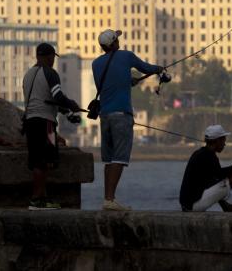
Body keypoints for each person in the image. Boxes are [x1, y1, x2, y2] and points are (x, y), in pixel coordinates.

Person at [92, 29, 163, 211]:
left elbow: (107, 84)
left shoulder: (96, 64)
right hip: (121, 115)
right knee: (119, 158)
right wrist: (159, 69)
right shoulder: (126, 56)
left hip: (105, 115)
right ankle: (110, 198)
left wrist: (128, 80)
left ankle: (108, 200)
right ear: (114, 43)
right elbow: (146, 68)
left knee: (108, 160)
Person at [21, 43, 82, 210]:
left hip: (31, 122)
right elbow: (58, 96)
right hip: (46, 123)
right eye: (53, 57)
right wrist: (72, 105)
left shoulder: (28, 75)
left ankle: (41, 198)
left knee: (36, 161)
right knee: (45, 161)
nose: (53, 60)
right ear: (49, 56)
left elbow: (46, 99)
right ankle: (37, 199)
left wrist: (69, 114)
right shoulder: (50, 73)